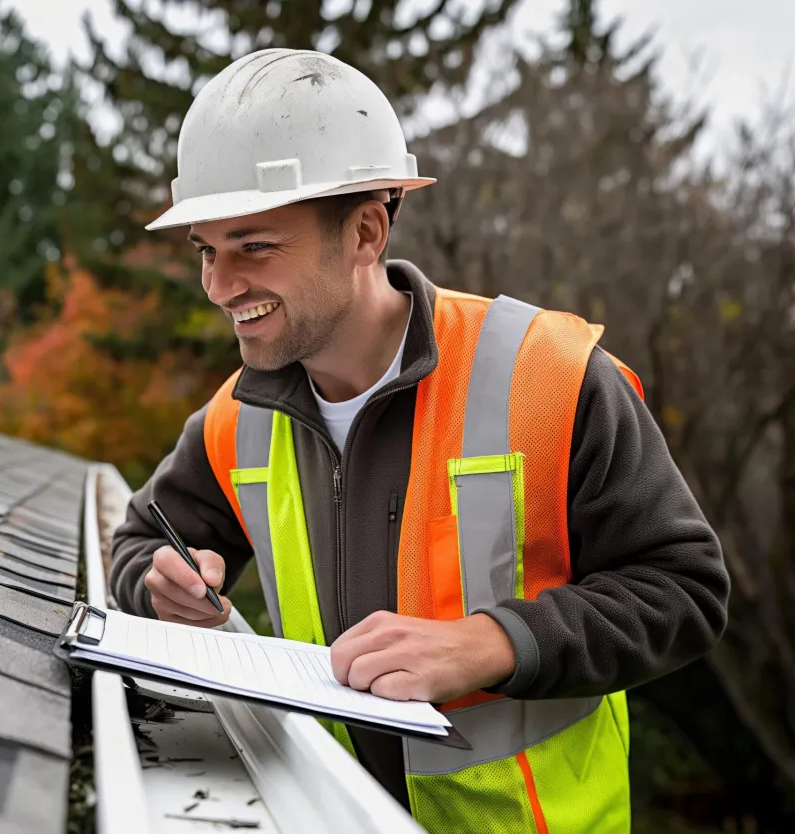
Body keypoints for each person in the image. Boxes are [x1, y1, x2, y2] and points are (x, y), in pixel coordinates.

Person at [109, 47, 729, 833]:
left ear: (367, 230)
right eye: (206, 249)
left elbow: (684, 590)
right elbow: (137, 544)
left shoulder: (550, 377)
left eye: (254, 246)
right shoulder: (240, 417)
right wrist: (160, 591)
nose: (220, 285)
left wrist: (495, 642)